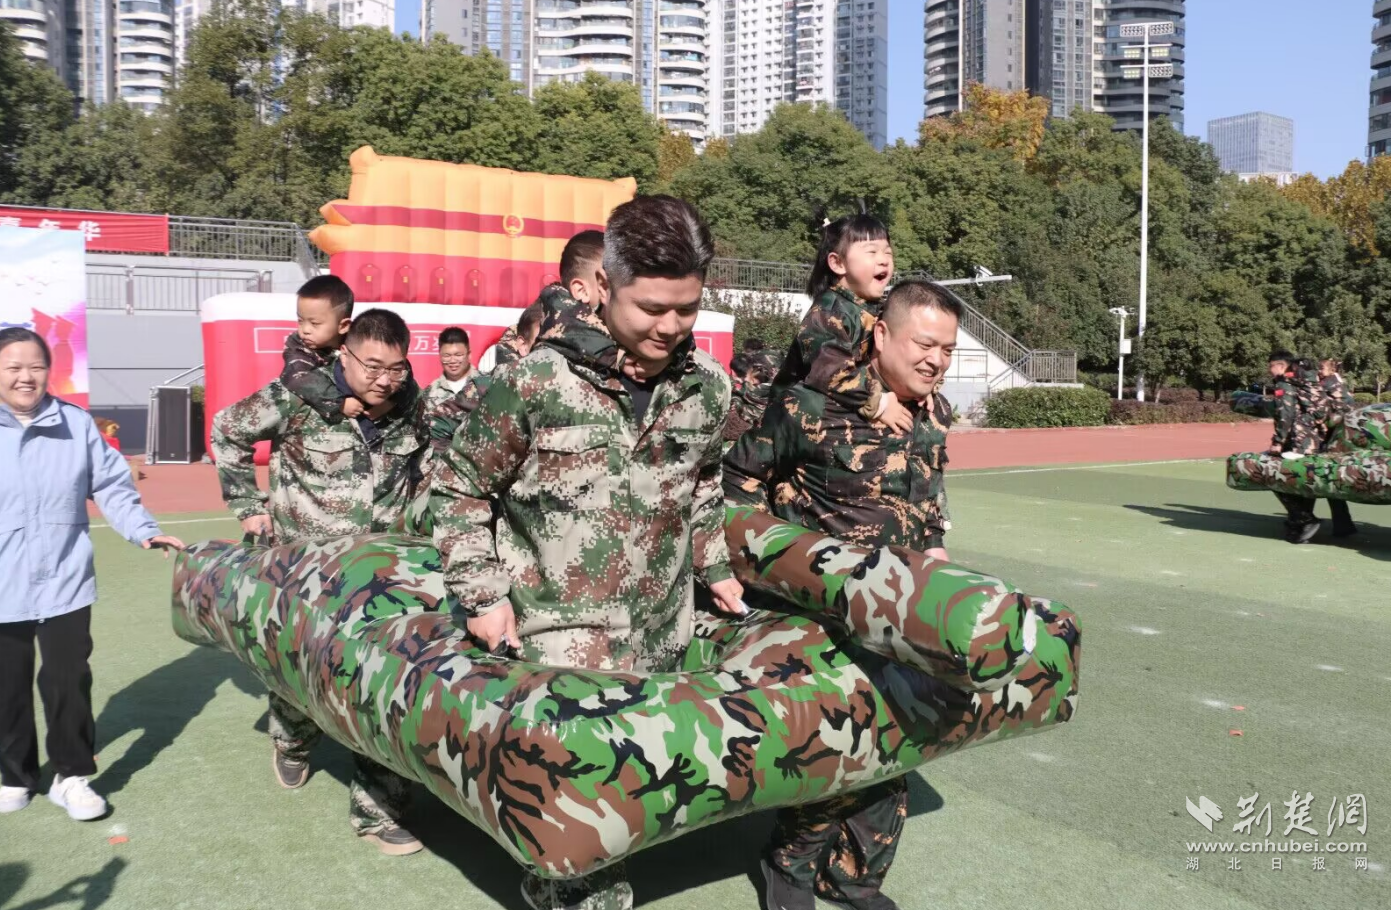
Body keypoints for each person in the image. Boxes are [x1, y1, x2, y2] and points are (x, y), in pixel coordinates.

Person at [427, 196, 744, 910]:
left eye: (687, 309)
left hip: (660, 638)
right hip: (553, 644)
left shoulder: (707, 388)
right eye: (651, 307)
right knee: (577, 849)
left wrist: (714, 566)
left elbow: (702, 484)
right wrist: (482, 595)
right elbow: (458, 487)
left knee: (635, 797)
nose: (670, 327)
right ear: (603, 285)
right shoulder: (536, 382)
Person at [724, 280, 959, 910]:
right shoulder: (808, 405)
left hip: (901, 608)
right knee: (836, 736)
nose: (936, 360)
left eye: (947, 349)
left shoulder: (934, 411)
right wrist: (763, 561)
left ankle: (854, 876)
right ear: (880, 335)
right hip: (815, 614)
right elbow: (741, 476)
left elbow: (929, 498)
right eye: (924, 344)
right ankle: (791, 866)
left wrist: (936, 549)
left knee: (898, 736)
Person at [212, 309, 427, 855]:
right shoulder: (297, 397)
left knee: (377, 687)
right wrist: (248, 506)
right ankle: (291, 739)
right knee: (300, 680)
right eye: (372, 367)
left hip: (381, 580)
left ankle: (378, 811)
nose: (385, 380)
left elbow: (431, 464)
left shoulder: (411, 406)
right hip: (305, 577)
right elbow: (228, 430)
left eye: (396, 368)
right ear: (345, 354)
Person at [0, 327, 184, 821]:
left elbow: (112, 485)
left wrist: (143, 530)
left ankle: (71, 777)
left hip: (63, 576)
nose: (25, 377)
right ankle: (14, 775)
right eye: (13, 367)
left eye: (36, 367)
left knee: (67, 680)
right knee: (6, 684)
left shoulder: (75, 424)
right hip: (2, 581)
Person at [769, 214, 913, 436]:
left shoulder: (877, 310)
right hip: (791, 425)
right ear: (838, 263)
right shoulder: (828, 313)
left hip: (838, 415)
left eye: (888, 252)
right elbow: (831, 374)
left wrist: (919, 386)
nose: (884, 260)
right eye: (872, 252)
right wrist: (881, 404)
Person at [422, 327, 475, 414]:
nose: (452, 360)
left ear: (469, 355)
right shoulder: (430, 393)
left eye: (458, 355)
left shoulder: (488, 385)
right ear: (440, 356)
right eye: (447, 356)